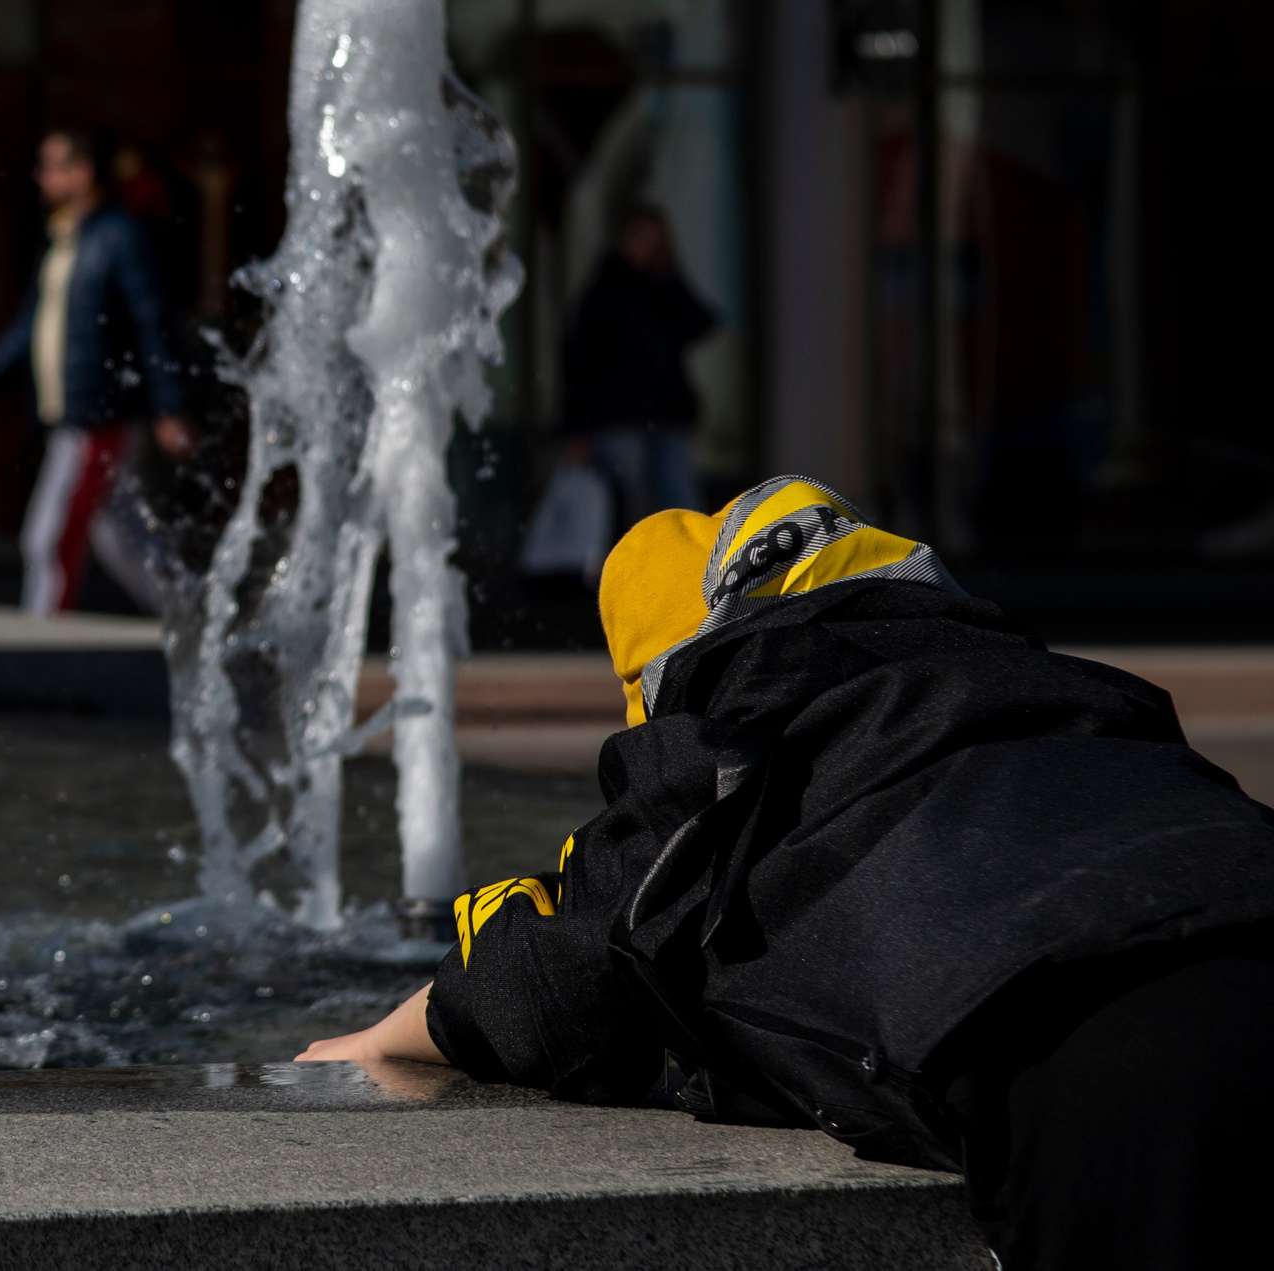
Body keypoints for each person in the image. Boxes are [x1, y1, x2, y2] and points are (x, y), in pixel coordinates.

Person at [298, 474, 1274, 1271]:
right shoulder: (1059, 683)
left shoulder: (722, 746)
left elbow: (556, 978)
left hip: (1114, 1055)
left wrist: (374, 1034)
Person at [0, 128, 194, 615]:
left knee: (51, 536)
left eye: (53, 165)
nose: (43, 177)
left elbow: (152, 322)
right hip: (75, 408)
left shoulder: (121, 236)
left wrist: (171, 405)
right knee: (117, 532)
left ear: (83, 172)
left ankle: (38, 644)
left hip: (100, 410)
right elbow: (32, 324)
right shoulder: (64, 239)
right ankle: (193, 618)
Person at [561, 202, 716, 525]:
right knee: (631, 511)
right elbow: (578, 362)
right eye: (642, 238)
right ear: (623, 239)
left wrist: (669, 274)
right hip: (618, 420)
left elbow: (701, 323)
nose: (648, 248)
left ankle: (687, 573)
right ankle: (637, 575)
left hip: (666, 416)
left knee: (682, 509)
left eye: (656, 241)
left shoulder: (661, 289)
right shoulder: (603, 291)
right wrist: (574, 430)